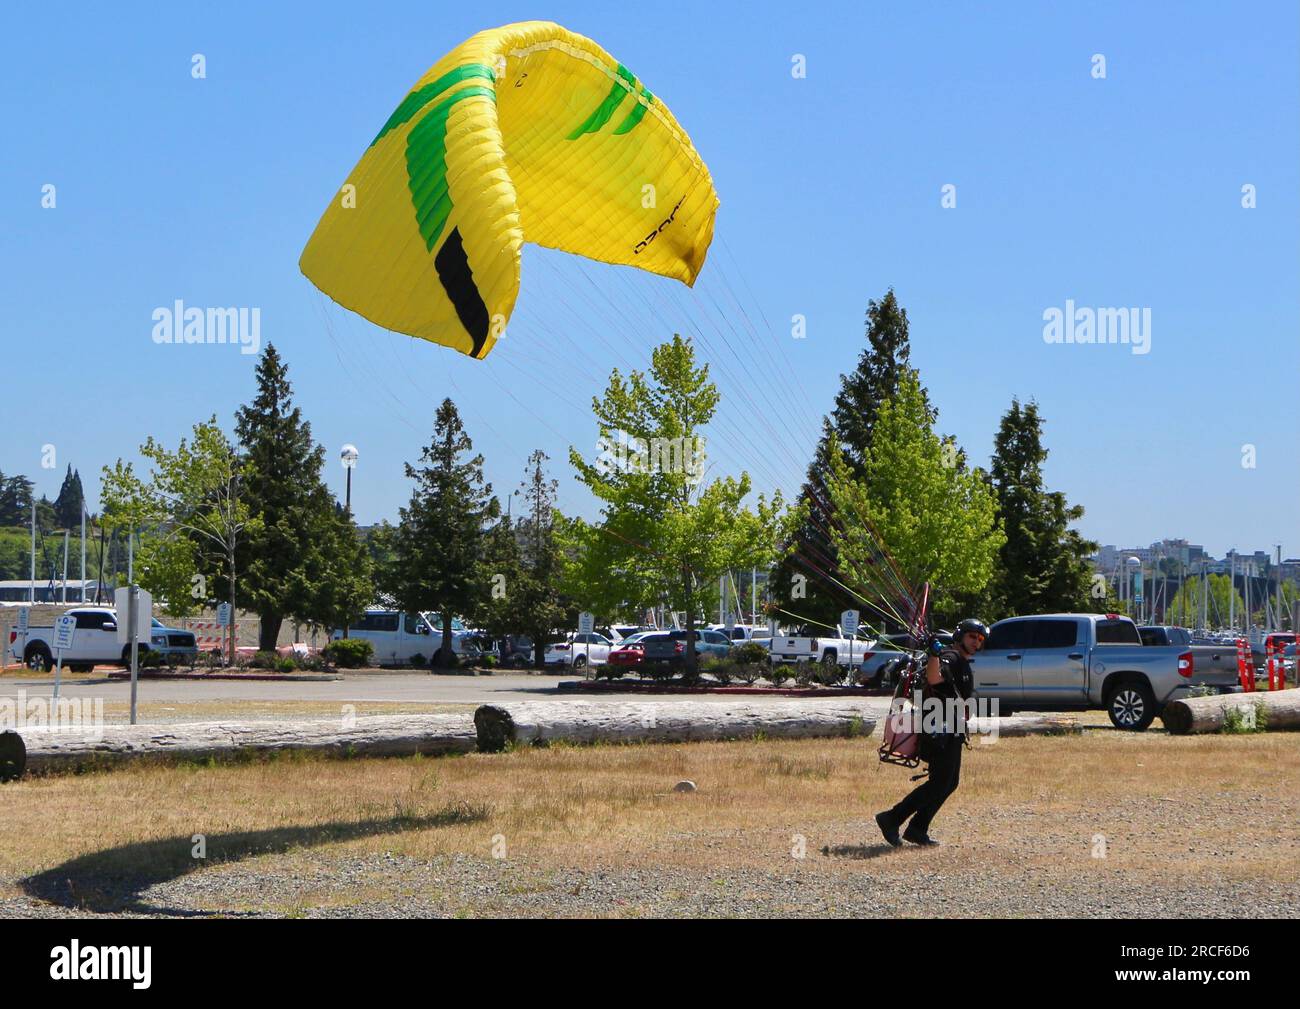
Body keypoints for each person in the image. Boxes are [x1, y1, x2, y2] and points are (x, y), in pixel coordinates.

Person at [875, 618, 987, 846]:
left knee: (949, 782)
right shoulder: (951, 657)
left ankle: (917, 829)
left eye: (980, 639)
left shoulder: (962, 663)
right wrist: (934, 654)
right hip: (938, 731)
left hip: (950, 731)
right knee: (940, 783)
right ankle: (891, 818)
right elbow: (934, 678)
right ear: (960, 636)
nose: (976, 642)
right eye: (972, 637)